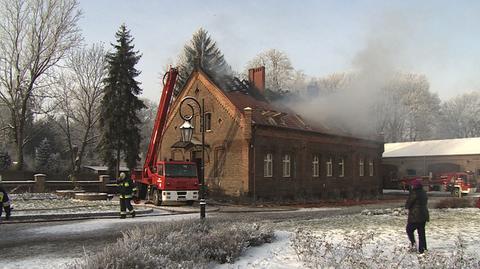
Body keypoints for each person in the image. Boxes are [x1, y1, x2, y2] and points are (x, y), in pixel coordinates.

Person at [405, 178, 429, 254]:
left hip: (415, 216)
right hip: (424, 215)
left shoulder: (414, 193)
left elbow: (408, 204)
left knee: (409, 230)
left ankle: (413, 245)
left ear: (414, 186)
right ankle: (423, 249)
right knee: (421, 233)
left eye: (412, 185)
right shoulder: (424, 192)